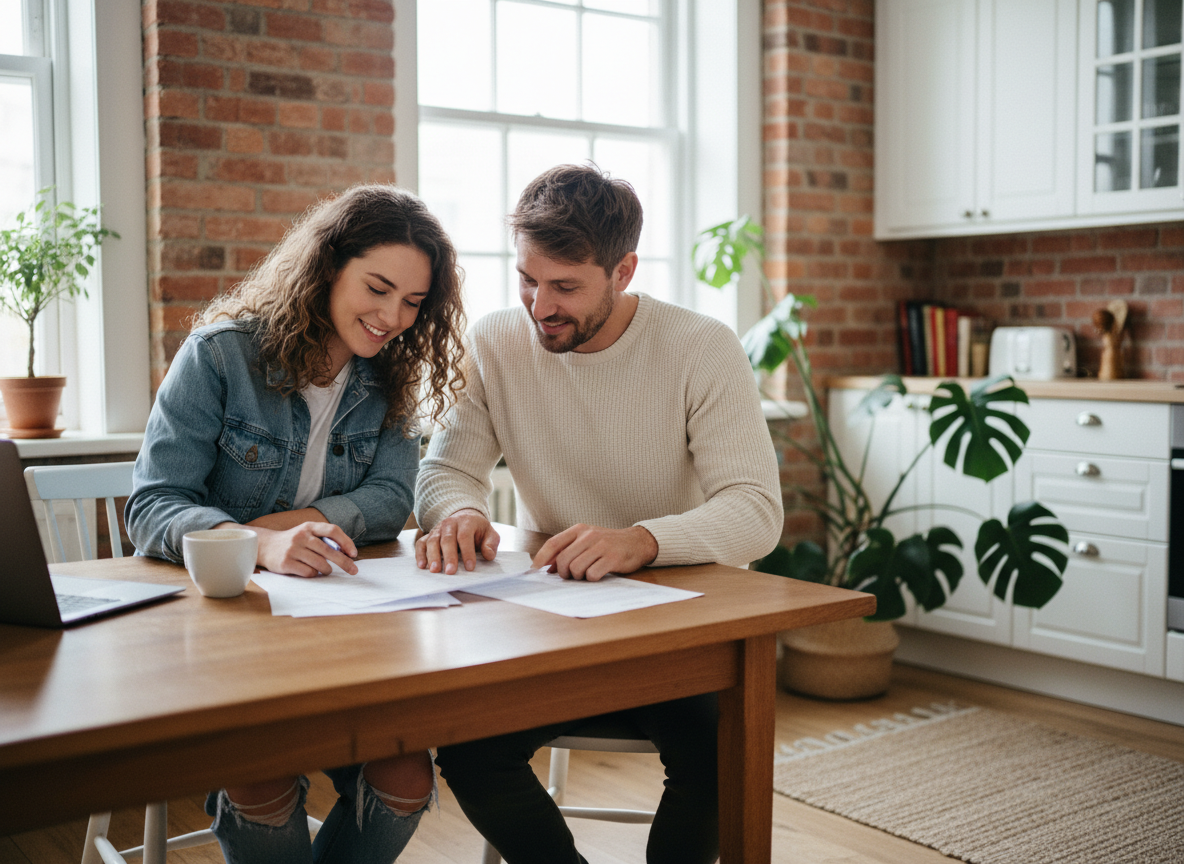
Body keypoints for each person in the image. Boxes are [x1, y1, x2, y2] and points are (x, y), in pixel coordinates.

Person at [413, 163, 782, 864]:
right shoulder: (495, 342)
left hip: (676, 631)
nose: (539, 305)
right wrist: (458, 510)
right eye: (526, 278)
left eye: (566, 286)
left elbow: (757, 512)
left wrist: (642, 541)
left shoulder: (701, 348)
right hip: (550, 630)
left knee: (718, 756)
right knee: (464, 746)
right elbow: (446, 470)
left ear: (624, 270)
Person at [126, 184, 466, 864]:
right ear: (327, 266)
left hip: (343, 629)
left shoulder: (389, 376)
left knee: (405, 777)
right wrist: (259, 543)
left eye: (412, 302)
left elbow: (393, 495)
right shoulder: (221, 355)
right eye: (378, 287)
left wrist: (289, 526)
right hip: (224, 630)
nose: (392, 317)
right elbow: (153, 505)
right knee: (263, 771)